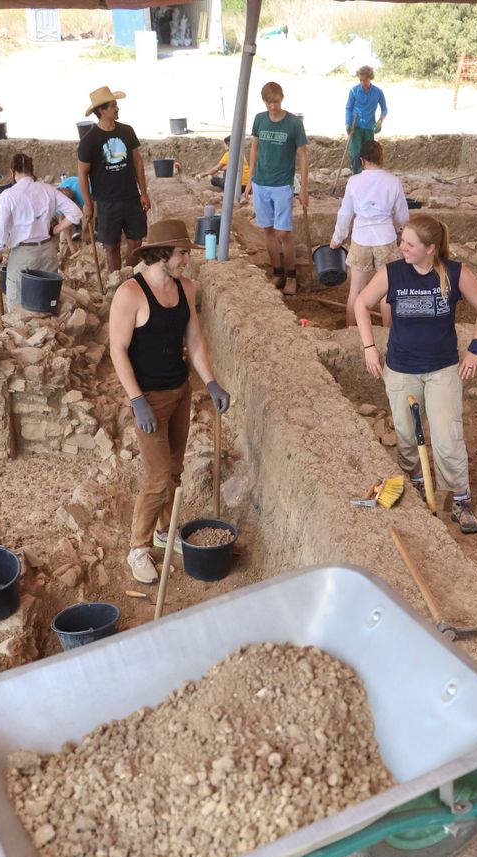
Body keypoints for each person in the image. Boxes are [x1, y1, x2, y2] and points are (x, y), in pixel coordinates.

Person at [106, 220, 232, 585]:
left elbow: (194, 339)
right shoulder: (130, 294)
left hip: (179, 391)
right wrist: (137, 400)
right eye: (181, 253)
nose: (186, 261)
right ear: (161, 254)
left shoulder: (185, 289)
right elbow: (118, 350)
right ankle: (138, 546)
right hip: (149, 397)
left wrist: (210, 381)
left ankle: (164, 531)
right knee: (158, 475)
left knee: (174, 467)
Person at [353, 215, 477, 534]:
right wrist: (369, 347)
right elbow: (362, 304)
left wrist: (476, 348)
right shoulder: (392, 273)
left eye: (409, 244)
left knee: (447, 436)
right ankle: (416, 484)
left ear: (430, 248)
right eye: (402, 241)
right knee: (406, 434)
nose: (402, 247)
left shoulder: (454, 273)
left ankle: (460, 499)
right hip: (401, 369)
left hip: (442, 368)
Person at [329, 140, 407, 329]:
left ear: (362, 160)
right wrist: (401, 231)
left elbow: (345, 213)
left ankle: (351, 331)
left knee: (356, 290)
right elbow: (402, 214)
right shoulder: (393, 181)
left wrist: (337, 238)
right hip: (386, 238)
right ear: (381, 158)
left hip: (361, 239)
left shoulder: (354, 181)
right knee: (387, 290)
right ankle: (388, 333)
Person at [0, 153, 82, 307]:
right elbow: (76, 213)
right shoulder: (48, 190)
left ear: (13, 172)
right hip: (47, 252)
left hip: (23, 254)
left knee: (18, 303)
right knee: (46, 300)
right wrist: (54, 230)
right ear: (31, 171)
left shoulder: (9, 195)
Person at [244, 82, 309, 295]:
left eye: (276, 101)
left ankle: (291, 276)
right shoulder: (259, 119)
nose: (273, 106)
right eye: (269, 102)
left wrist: (304, 188)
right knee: (268, 230)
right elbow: (254, 149)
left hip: (282, 185)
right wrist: (250, 180)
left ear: (282, 98)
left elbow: (303, 156)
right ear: (264, 101)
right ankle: (277, 272)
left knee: (284, 233)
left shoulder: (294, 124)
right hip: (261, 183)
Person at [78, 85, 151, 274]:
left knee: (136, 241)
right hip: (106, 202)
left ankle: (130, 277)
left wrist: (143, 193)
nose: (117, 108)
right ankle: (116, 281)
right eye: (113, 105)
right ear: (102, 111)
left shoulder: (127, 131)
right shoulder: (89, 140)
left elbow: (137, 162)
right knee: (111, 246)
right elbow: (82, 173)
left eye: (116, 104)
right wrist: (88, 204)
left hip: (131, 197)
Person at [344, 65, 387, 175]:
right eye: (360, 80)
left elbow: (384, 109)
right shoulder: (354, 91)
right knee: (356, 154)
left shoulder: (378, 92)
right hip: (355, 127)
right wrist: (347, 123)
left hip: (369, 127)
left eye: (365, 80)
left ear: (370, 78)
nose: (362, 82)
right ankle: (356, 176)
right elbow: (348, 108)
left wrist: (380, 121)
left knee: (368, 154)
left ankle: (367, 176)